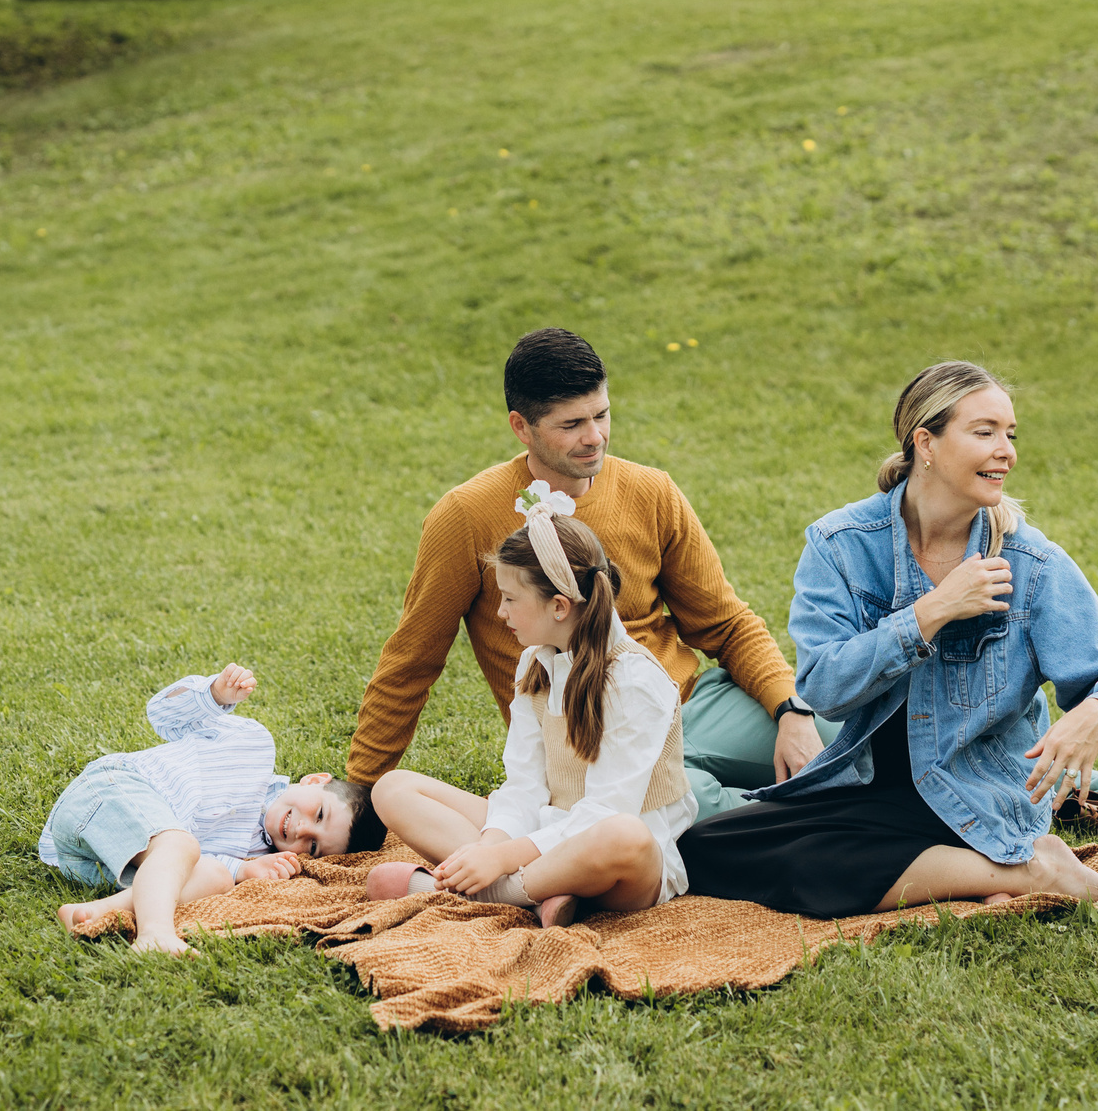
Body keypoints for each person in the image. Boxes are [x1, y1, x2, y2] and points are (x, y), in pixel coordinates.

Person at [680, 361, 1098, 917]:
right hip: (867, 785)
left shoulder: (1030, 563)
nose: (1006, 450)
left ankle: (1009, 863)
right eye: (984, 432)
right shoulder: (840, 544)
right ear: (925, 442)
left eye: (1010, 434)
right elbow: (824, 689)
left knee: (815, 865)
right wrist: (929, 613)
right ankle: (1016, 871)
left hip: (977, 792)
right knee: (705, 846)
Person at [348, 327, 825, 817]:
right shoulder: (466, 515)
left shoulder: (652, 490)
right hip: (589, 744)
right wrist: (358, 790)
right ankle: (795, 820)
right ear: (521, 426)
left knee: (845, 739)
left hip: (691, 707)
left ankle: (808, 805)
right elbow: (413, 659)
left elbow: (725, 624)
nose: (594, 436)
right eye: (572, 423)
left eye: (601, 414)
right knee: (686, 807)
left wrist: (791, 710)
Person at [364, 500, 694, 926]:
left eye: (509, 598)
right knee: (392, 788)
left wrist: (500, 859)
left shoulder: (635, 682)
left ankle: (490, 892)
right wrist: (490, 847)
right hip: (544, 826)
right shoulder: (535, 663)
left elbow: (607, 811)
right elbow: (523, 785)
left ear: (559, 606)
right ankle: (539, 894)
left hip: (616, 855)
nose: (500, 612)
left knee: (623, 834)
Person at [43, 663, 385, 954]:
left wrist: (240, 871)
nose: (302, 830)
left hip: (99, 861)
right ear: (314, 780)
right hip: (110, 792)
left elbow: (190, 865)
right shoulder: (253, 746)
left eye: (313, 846)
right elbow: (162, 714)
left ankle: (97, 911)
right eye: (320, 814)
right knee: (181, 846)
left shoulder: (255, 852)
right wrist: (215, 695)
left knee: (213, 875)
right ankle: (155, 933)